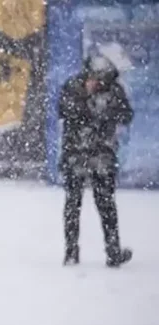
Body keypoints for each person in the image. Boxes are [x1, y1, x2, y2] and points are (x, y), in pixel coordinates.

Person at [59, 55, 134, 267]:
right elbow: (65, 110)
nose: (97, 82)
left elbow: (126, 115)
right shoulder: (74, 86)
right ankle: (71, 252)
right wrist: (86, 97)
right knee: (73, 205)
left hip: (102, 156)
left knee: (106, 205)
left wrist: (105, 108)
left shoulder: (114, 90)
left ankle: (113, 253)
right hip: (76, 154)